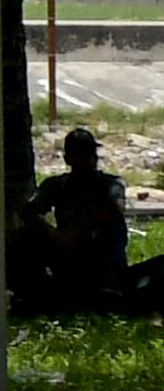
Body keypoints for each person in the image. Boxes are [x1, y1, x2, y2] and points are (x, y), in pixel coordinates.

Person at [29, 126, 138, 318]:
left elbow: (114, 208)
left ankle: (110, 290)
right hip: (70, 259)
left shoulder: (109, 184)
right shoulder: (57, 186)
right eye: (81, 156)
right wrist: (54, 236)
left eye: (90, 155)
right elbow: (28, 212)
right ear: (68, 160)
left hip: (102, 260)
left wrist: (76, 231)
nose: (88, 161)